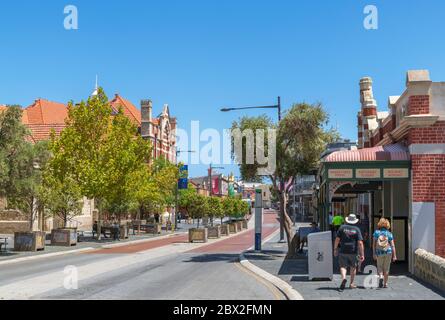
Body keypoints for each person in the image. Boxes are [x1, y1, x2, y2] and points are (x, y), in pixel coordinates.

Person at [334, 214, 365, 291]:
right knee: (353, 267)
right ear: (355, 221)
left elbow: (337, 239)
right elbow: (360, 243)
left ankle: (344, 278)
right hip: (353, 251)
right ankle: (351, 284)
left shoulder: (342, 228)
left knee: (343, 266)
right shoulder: (357, 229)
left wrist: (335, 249)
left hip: (343, 251)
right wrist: (362, 254)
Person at [373, 218, 397, 288]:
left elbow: (374, 244)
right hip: (388, 251)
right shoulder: (389, 234)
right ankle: (385, 284)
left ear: (380, 224)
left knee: (379, 267)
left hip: (379, 252)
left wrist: (374, 253)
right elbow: (392, 245)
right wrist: (394, 256)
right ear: (387, 225)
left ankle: (380, 276)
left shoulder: (376, 233)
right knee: (386, 268)